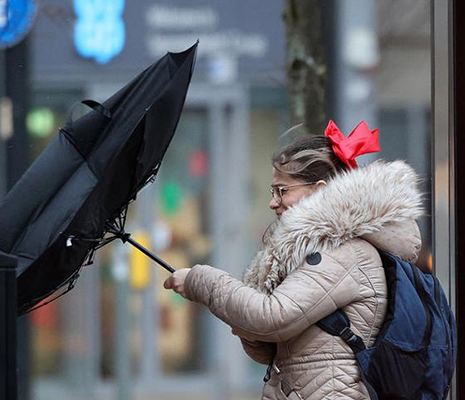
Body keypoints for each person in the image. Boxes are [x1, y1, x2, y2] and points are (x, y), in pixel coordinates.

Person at [164, 120, 423, 399]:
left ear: (319, 189)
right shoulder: (317, 252)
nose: (273, 202)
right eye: (272, 191)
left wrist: (198, 280)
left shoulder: (343, 253)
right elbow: (272, 347)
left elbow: (272, 316)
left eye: (282, 190)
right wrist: (249, 328)